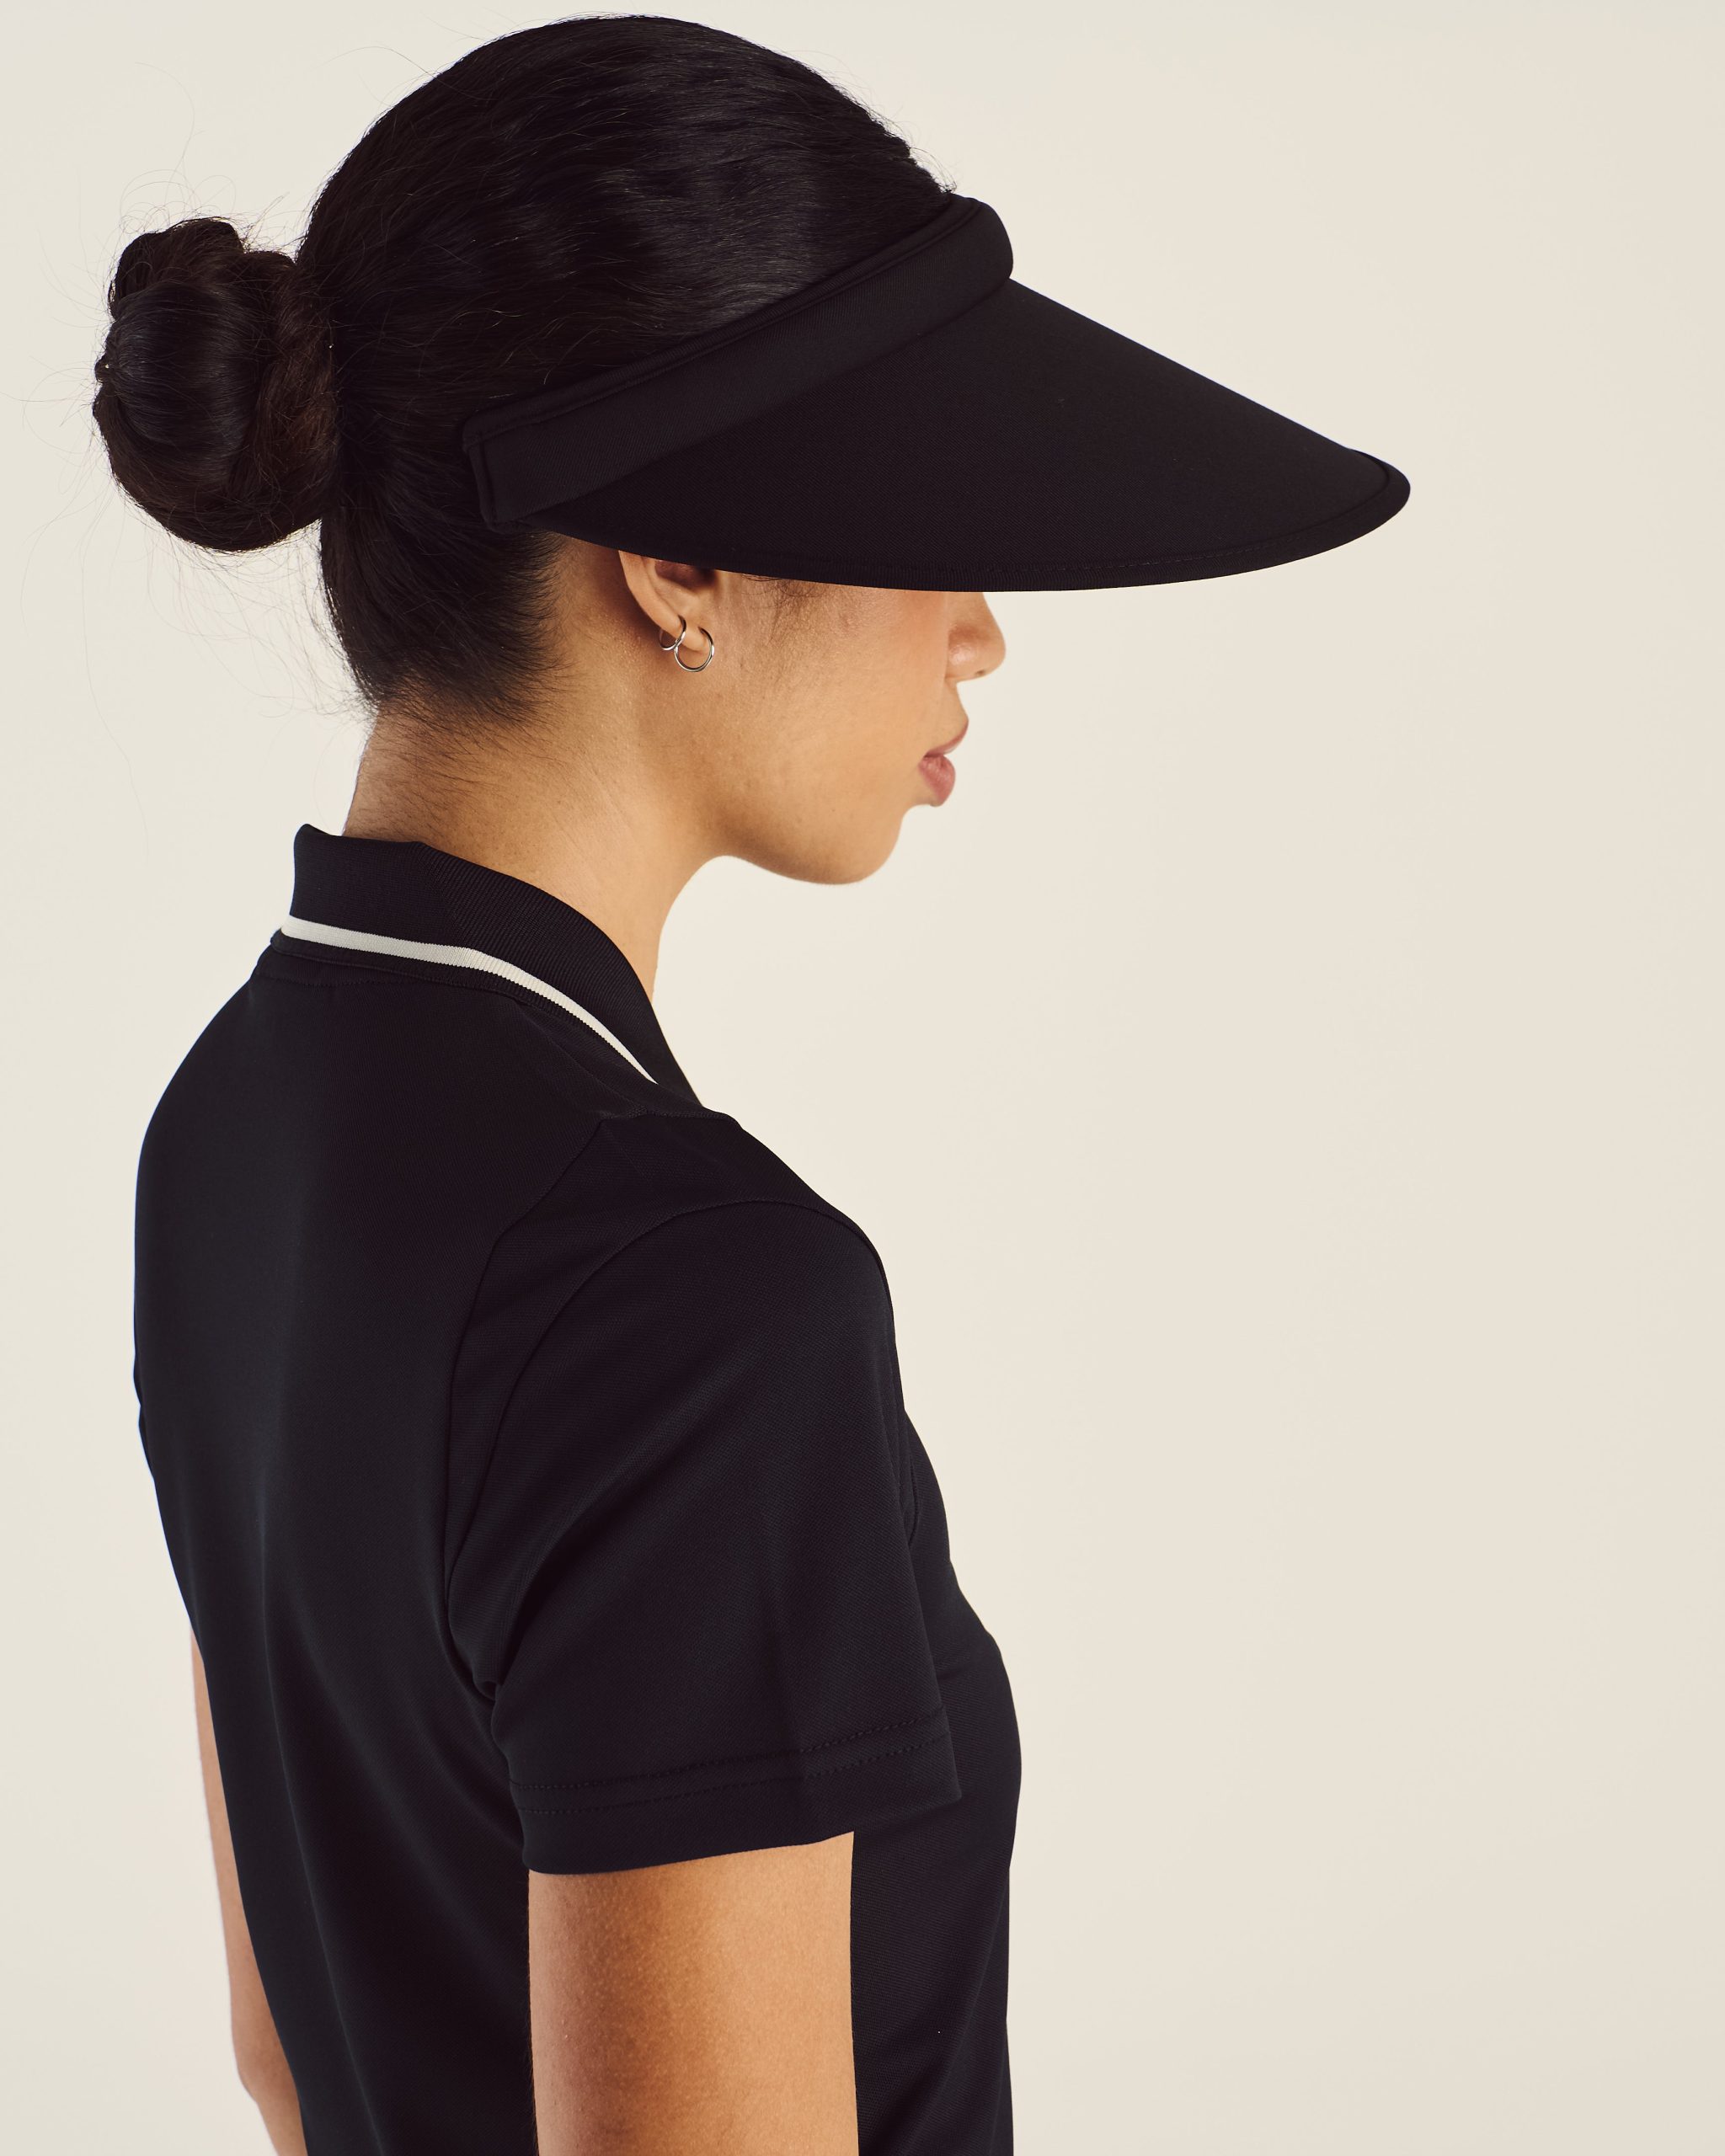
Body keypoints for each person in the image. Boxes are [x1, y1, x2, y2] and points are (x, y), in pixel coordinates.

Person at [96, 17, 1407, 2155]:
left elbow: (292, 2047)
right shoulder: (691, 1295)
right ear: (673, 557)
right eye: (923, 507)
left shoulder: (229, 1123)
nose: (980, 627)